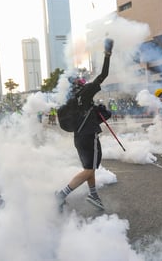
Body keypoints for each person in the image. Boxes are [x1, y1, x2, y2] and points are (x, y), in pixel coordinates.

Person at [55, 38, 114, 212]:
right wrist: (107, 54)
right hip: (89, 137)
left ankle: (94, 195)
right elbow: (103, 75)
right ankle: (61, 195)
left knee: (89, 169)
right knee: (89, 170)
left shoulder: (72, 100)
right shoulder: (85, 92)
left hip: (79, 138)